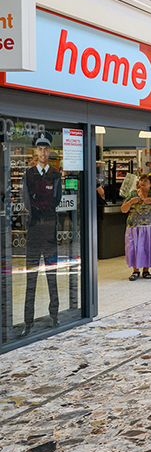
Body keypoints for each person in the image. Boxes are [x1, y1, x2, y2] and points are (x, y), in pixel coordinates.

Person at [20, 132, 62, 337]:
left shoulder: (56, 174)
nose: (43, 152)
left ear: (49, 151)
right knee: (31, 277)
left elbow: (57, 200)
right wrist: (39, 208)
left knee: (52, 275)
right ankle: (28, 320)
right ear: (36, 150)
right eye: (40, 148)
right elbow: (27, 201)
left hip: (50, 230)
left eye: (46, 148)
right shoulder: (28, 174)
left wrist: (41, 205)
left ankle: (54, 315)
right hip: (35, 230)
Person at [121, 174, 151, 281]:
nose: (143, 182)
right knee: (134, 247)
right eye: (141, 180)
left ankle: (146, 270)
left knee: (148, 247)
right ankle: (135, 270)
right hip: (135, 226)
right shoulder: (132, 194)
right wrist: (130, 202)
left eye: (146, 181)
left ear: (150, 184)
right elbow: (123, 209)